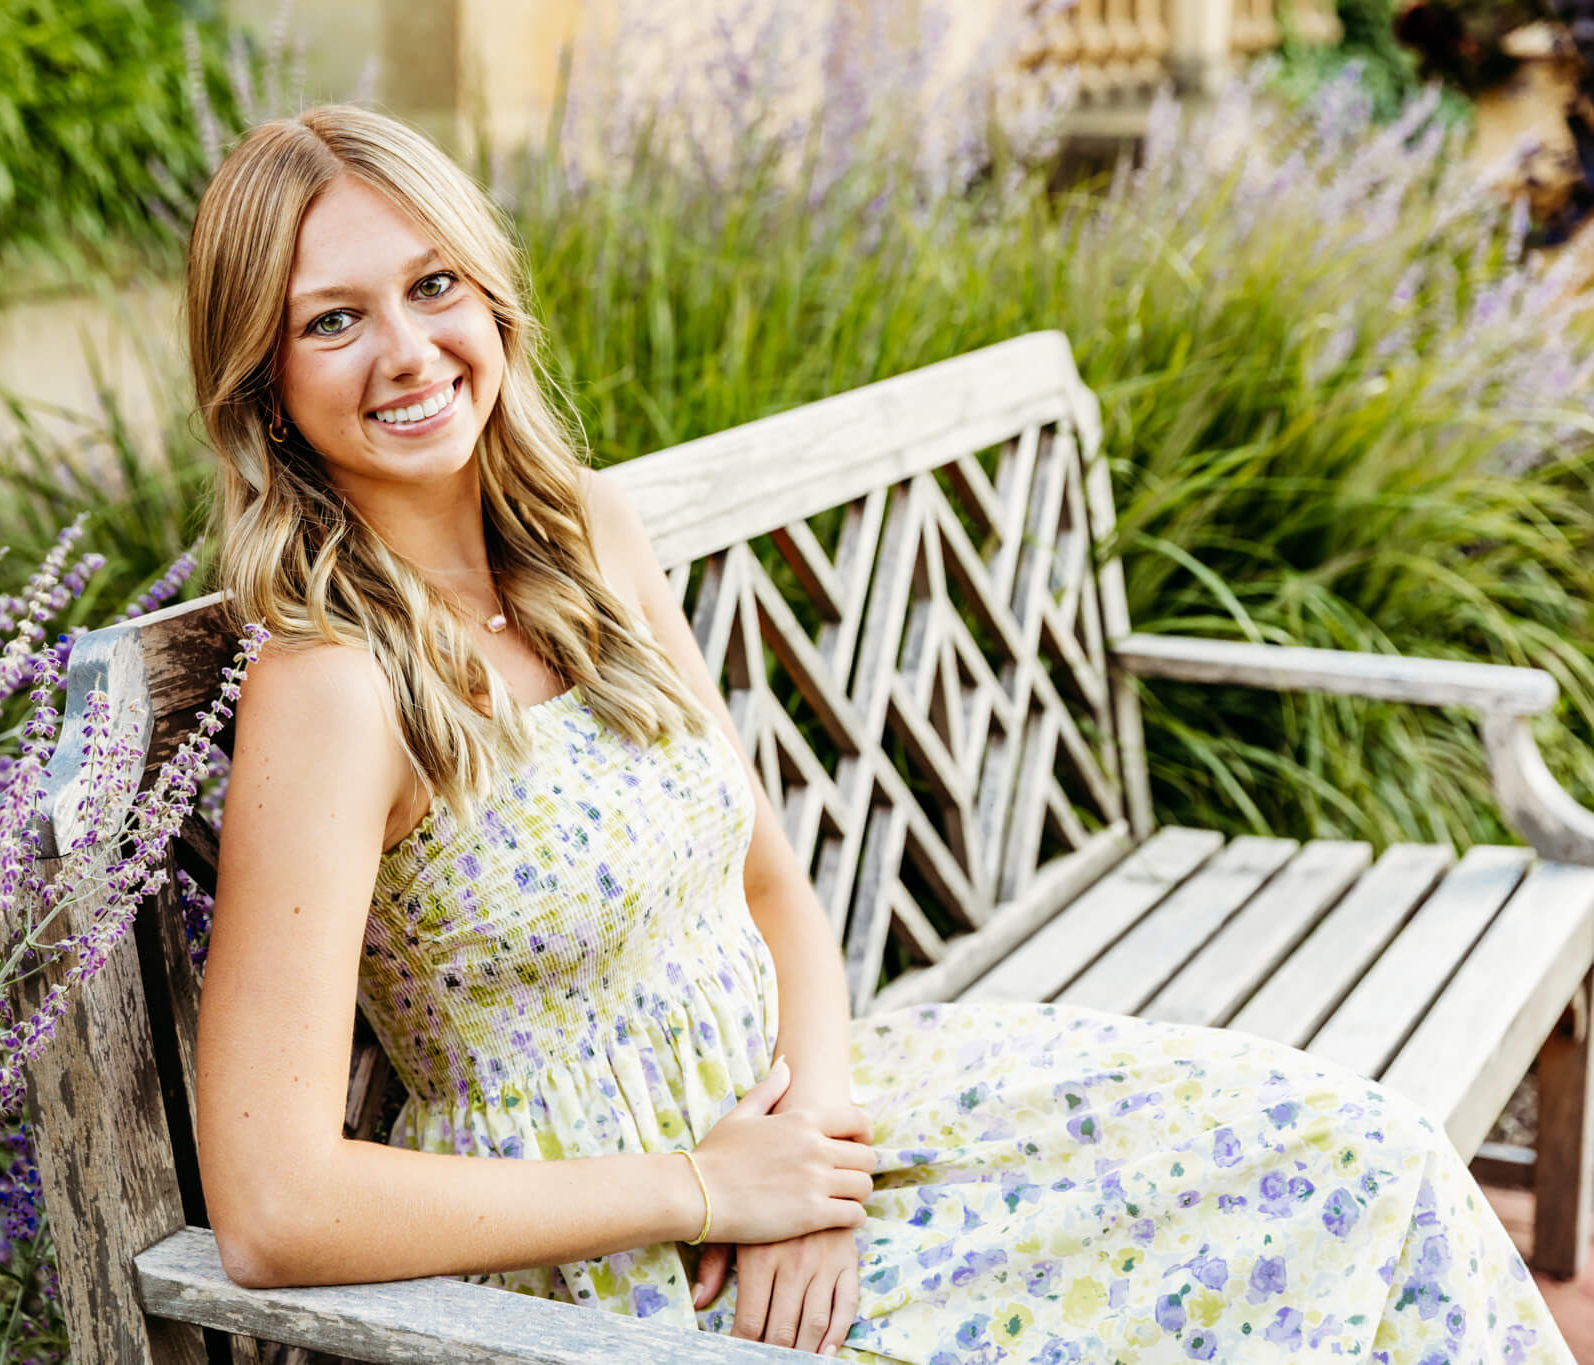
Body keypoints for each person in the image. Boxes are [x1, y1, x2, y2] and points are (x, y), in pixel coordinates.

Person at [185, 104, 1573, 1363]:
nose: (410, 352)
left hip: (818, 1129)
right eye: (334, 320)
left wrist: (816, 1147)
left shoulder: (587, 536)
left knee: (1362, 1158)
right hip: (610, 1265)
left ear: (492, 297)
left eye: (435, 287)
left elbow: (775, 885)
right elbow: (275, 1202)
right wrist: (716, 1186)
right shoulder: (335, 684)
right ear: (264, 382)